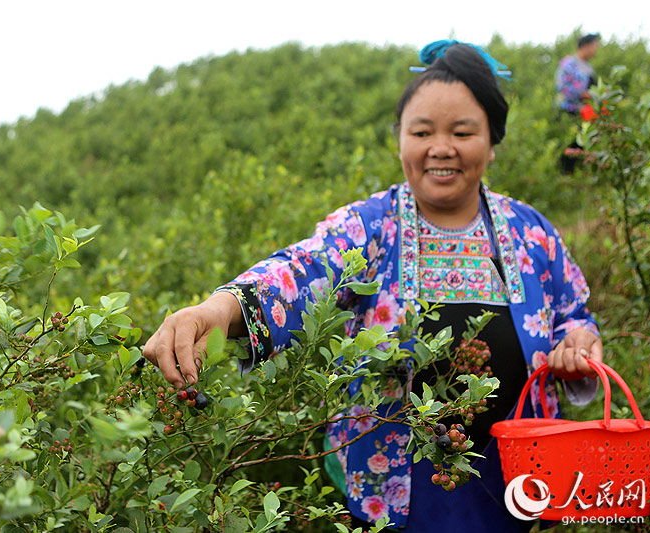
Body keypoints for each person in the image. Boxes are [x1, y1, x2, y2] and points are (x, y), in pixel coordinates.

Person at [143, 40, 603, 532]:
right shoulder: (371, 228)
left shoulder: (531, 233)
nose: (440, 147)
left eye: (463, 131)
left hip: (513, 486)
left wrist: (578, 345)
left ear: (492, 141)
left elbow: (573, 317)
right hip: (393, 492)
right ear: (400, 139)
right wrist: (216, 309)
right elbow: (300, 271)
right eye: (422, 131)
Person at [555, 33, 601, 174]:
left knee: (580, 144)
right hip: (568, 110)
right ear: (585, 46)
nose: (595, 50)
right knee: (566, 143)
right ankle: (561, 172)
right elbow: (561, 86)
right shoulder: (569, 63)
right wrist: (581, 94)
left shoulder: (588, 68)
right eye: (594, 46)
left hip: (583, 112)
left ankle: (572, 174)